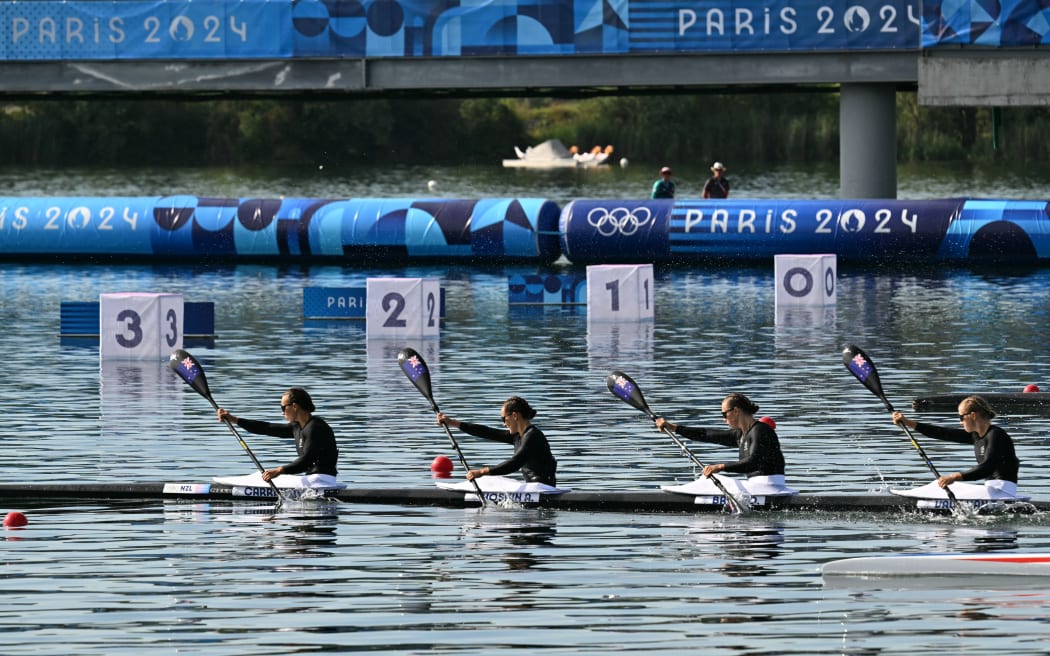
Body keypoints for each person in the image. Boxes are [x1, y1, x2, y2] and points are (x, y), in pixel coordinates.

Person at [891, 395, 1019, 493]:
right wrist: (907, 422)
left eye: (961, 417)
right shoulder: (977, 436)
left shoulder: (996, 435)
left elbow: (987, 468)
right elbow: (943, 433)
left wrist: (954, 477)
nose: (960, 422)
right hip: (992, 491)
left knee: (948, 487)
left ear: (973, 415)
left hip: (1003, 491)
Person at [655, 392, 786, 481]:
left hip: (770, 487)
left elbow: (753, 463)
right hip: (756, 486)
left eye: (724, 414)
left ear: (736, 411)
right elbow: (706, 434)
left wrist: (720, 467)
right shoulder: (740, 434)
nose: (724, 419)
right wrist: (674, 428)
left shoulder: (761, 430)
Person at [217, 387, 338, 482]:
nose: (282, 412)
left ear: (295, 406)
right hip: (312, 479)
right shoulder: (298, 427)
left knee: (260, 479)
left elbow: (306, 461)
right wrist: (234, 420)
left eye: (283, 407)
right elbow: (267, 428)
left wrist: (279, 470)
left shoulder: (316, 428)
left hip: (321, 481)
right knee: (260, 477)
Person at [436, 396, 557, 486]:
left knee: (485, 478)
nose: (504, 424)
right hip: (534, 488)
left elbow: (515, 463)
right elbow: (487, 432)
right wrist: (452, 423)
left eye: (504, 419)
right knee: (487, 480)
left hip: (543, 490)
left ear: (515, 416)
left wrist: (482, 471)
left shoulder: (533, 436)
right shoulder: (518, 436)